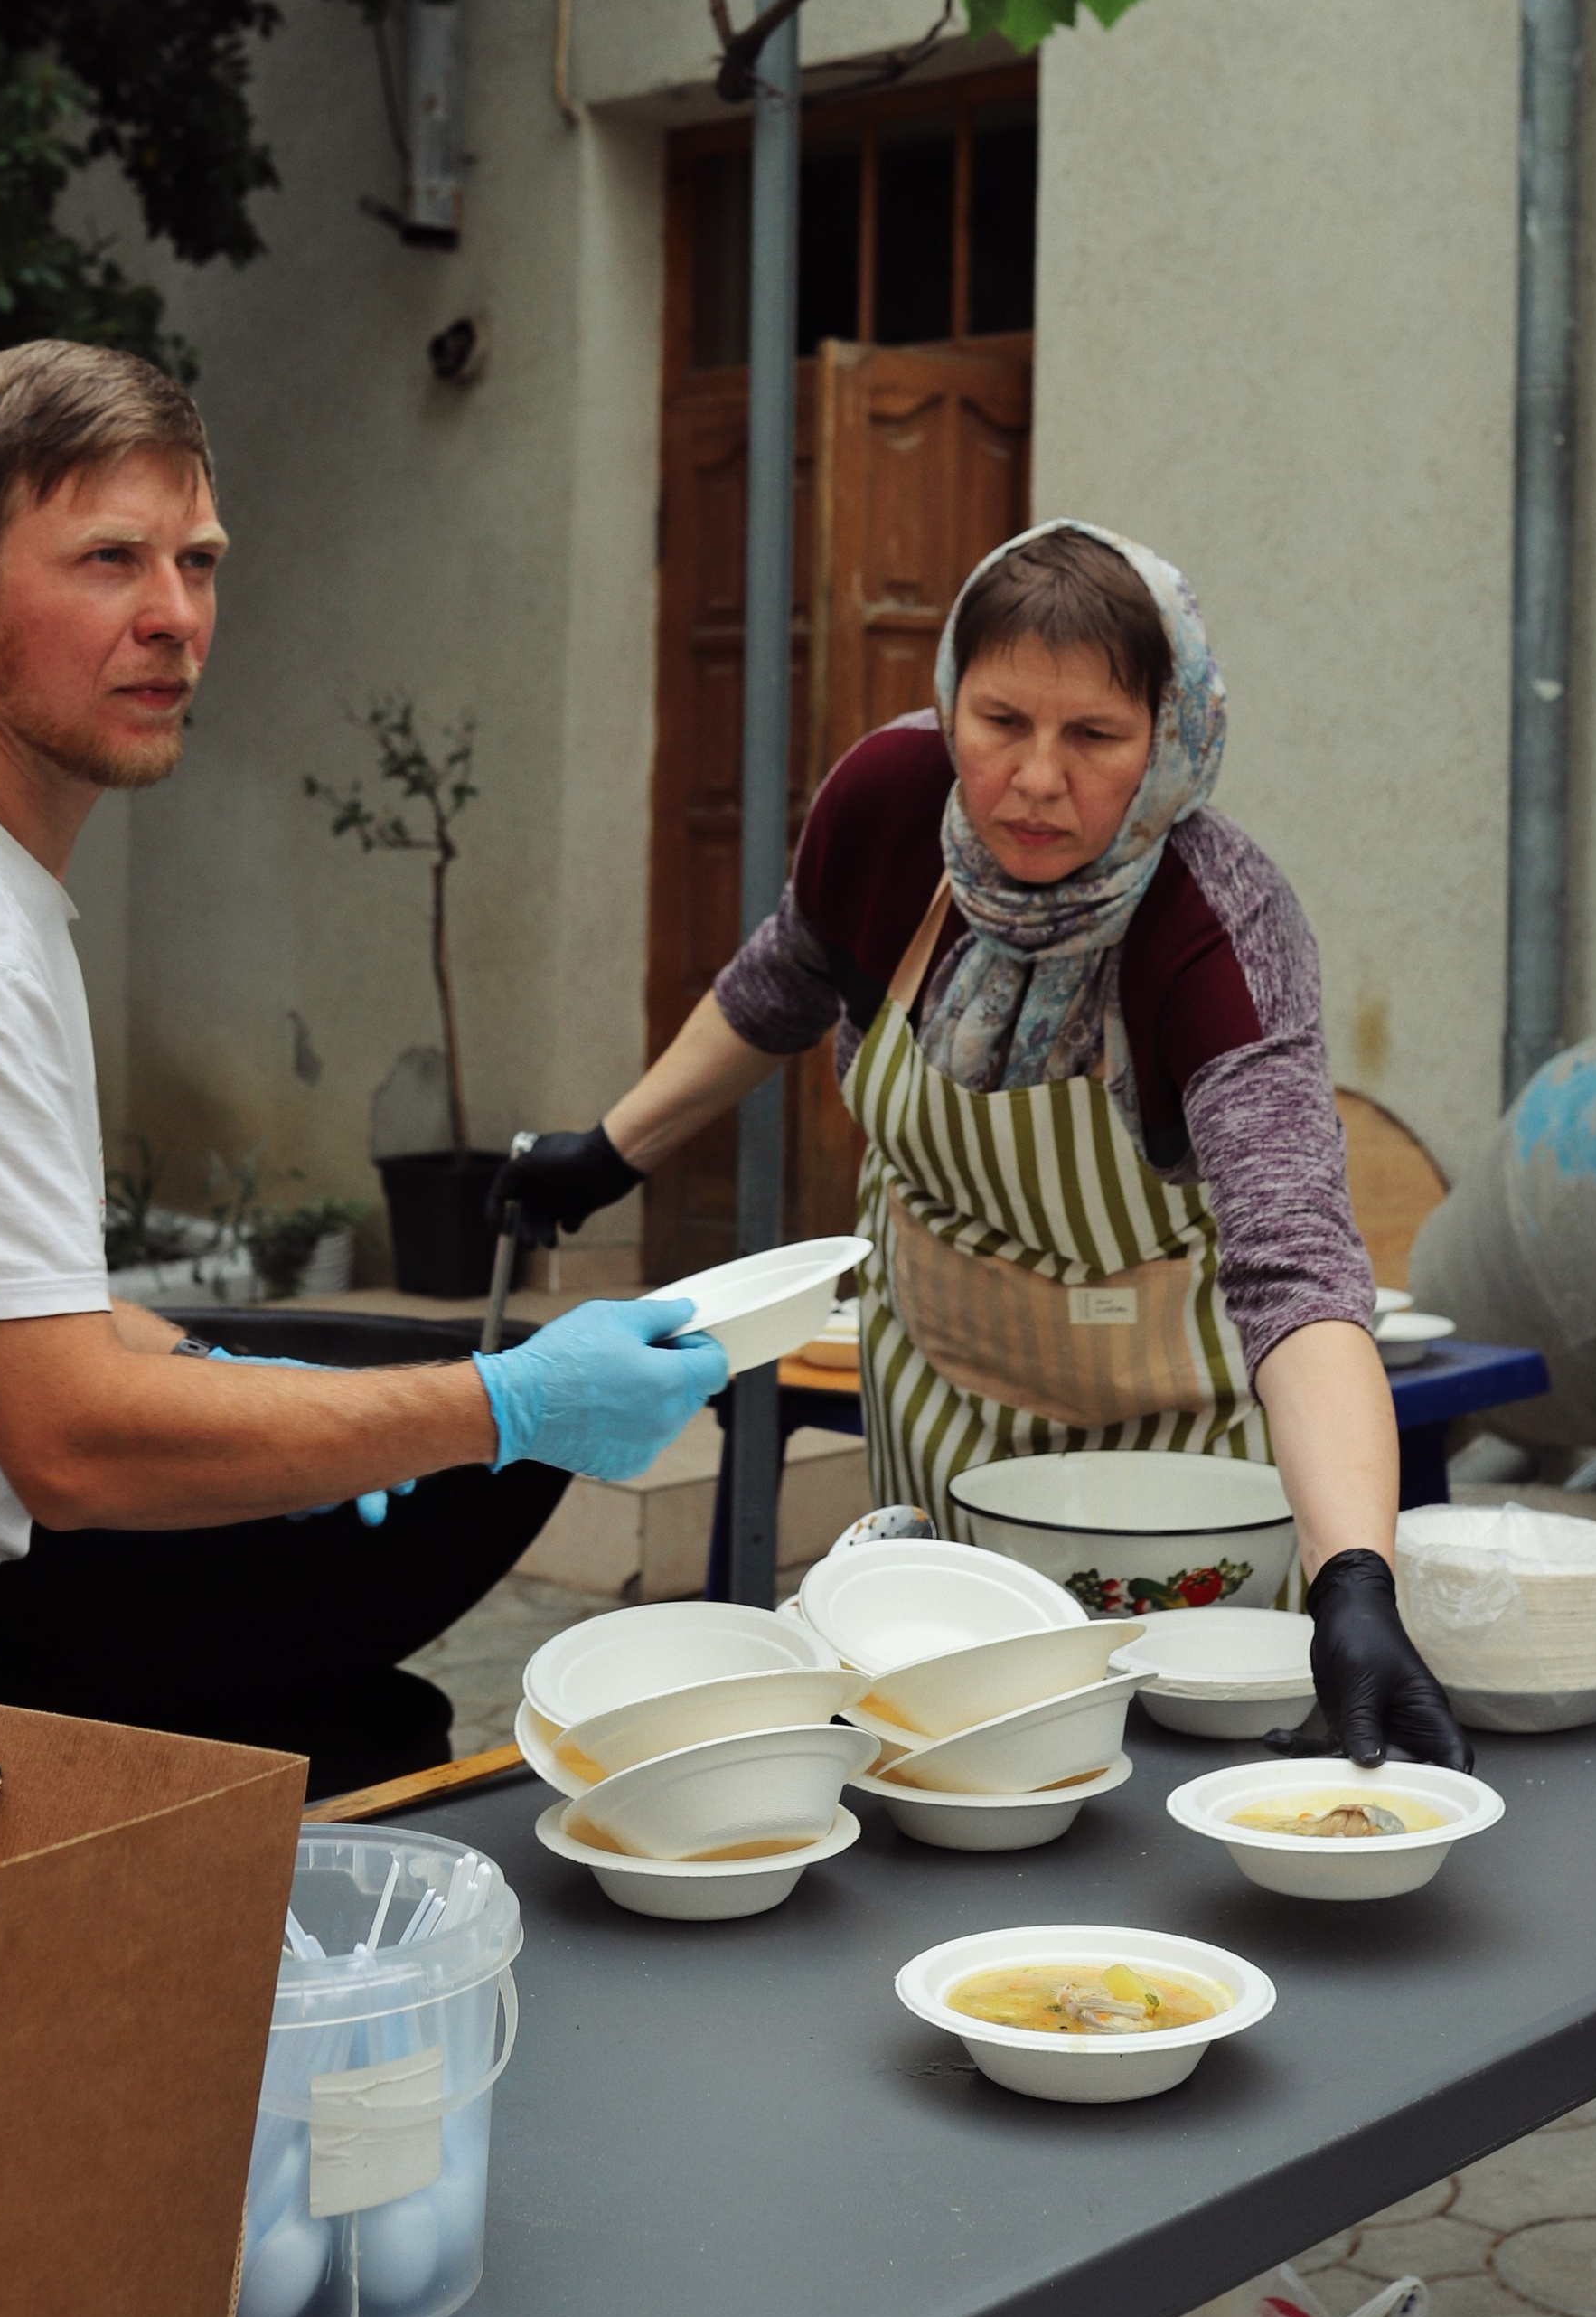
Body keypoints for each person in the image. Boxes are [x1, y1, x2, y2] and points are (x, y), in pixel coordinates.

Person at [0, 343, 724, 1789]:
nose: (176, 617)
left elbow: (5, 1300)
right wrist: (503, 1407)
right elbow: (67, 1440)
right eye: (110, 561)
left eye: (198, 560)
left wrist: (227, 1372)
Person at [493, 521, 1466, 1771]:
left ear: (1171, 738)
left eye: (1096, 737)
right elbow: (785, 980)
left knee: (1164, 1799)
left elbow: (1298, 1266)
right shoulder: (889, 812)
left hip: (1168, 1474)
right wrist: (610, 1151)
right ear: (951, 703)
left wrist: (1354, 1581)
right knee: (948, 1767)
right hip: (943, 1418)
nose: (1037, 778)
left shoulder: (1214, 928)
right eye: (1001, 721)